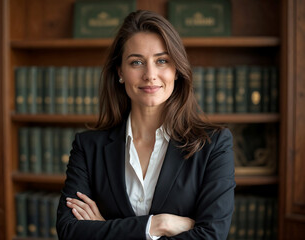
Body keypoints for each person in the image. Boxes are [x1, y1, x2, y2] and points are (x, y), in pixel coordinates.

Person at [56, 9, 235, 240]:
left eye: (162, 61)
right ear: (120, 71)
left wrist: (105, 228)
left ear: (176, 70)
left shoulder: (213, 145)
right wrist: (158, 224)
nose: (150, 75)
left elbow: (212, 235)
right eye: (136, 62)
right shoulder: (88, 147)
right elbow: (70, 232)